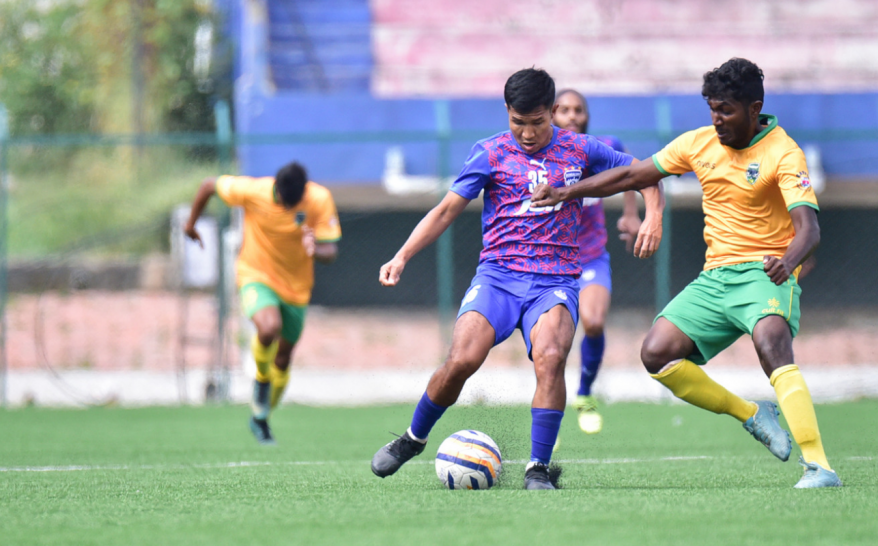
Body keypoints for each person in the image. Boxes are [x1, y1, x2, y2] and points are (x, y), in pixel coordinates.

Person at [531, 58, 841, 488]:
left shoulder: (784, 152)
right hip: (715, 278)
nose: (717, 120)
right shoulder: (699, 143)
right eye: (712, 109)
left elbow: (810, 229)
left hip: (765, 274)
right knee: (656, 354)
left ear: (754, 108)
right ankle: (750, 413)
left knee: (771, 340)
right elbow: (631, 174)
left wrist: (787, 262)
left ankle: (820, 466)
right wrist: (566, 191)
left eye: (727, 111)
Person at [369, 68, 664, 490]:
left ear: (551, 113)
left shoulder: (580, 149)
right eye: (517, 122)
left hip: (555, 281)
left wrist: (652, 216)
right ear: (507, 113)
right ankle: (413, 438)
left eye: (537, 122)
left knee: (551, 357)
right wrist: (402, 256)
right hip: (498, 277)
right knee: (462, 360)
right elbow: (446, 210)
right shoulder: (489, 153)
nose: (527, 133)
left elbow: (646, 173)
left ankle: (538, 469)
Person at [184, 162, 340, 445]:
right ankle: (260, 379)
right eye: (284, 203)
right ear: (275, 190)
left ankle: (261, 417)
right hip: (257, 276)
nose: (289, 209)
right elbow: (209, 184)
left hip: (297, 289)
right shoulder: (253, 191)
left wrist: (315, 249)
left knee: (284, 357)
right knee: (269, 328)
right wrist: (190, 224)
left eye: (295, 205)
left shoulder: (319, 199)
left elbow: (331, 251)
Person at [551, 89, 641, 435]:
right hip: (552, 261)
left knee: (593, 321)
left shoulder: (601, 146)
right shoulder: (542, 156)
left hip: (590, 256)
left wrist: (631, 215)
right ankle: (548, 416)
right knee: (554, 343)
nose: (572, 116)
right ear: (551, 115)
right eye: (564, 110)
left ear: (586, 116)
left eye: (578, 110)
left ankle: (585, 395)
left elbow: (633, 173)